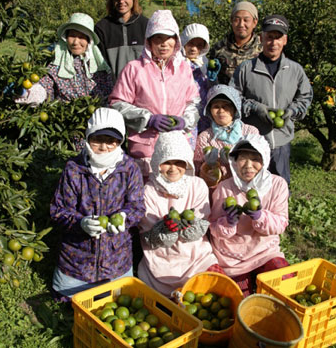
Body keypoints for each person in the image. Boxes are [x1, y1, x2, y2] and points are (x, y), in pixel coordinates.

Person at [50, 107, 145, 301]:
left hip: (116, 259)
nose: (104, 147)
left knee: (119, 300)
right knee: (67, 300)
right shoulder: (74, 169)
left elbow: (137, 206)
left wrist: (126, 218)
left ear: (120, 142)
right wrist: (81, 223)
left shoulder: (130, 169)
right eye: (97, 140)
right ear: (87, 138)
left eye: (111, 141)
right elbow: (58, 211)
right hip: (77, 260)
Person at [109, 9, 200, 178]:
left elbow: (192, 102)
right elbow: (117, 104)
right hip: (144, 149)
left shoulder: (183, 69)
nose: (164, 44)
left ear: (176, 41)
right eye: (158, 38)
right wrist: (148, 118)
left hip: (175, 148)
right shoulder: (134, 69)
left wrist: (184, 121)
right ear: (149, 41)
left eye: (168, 38)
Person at [230, 14, 313, 184]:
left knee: (280, 186)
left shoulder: (294, 70)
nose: (273, 43)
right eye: (269, 37)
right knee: (251, 188)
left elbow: (305, 97)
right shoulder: (246, 69)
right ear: (261, 38)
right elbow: (233, 98)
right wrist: (255, 108)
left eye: (278, 38)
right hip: (253, 142)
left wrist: (292, 111)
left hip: (281, 142)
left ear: (285, 40)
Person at [137, 131, 220, 297]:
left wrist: (191, 227)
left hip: (197, 258)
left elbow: (201, 224)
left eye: (178, 162)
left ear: (187, 163)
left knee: (217, 291)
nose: (173, 168)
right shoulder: (149, 191)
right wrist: (164, 230)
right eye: (167, 162)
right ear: (157, 163)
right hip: (161, 262)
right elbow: (149, 236)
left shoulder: (197, 185)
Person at [209, 133, 290, 296]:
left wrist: (261, 216)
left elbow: (281, 224)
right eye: (243, 158)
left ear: (265, 159)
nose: (248, 165)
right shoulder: (224, 188)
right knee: (239, 300)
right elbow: (215, 231)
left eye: (255, 159)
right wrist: (228, 222)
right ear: (234, 162)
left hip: (265, 251)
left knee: (286, 285)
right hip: (233, 257)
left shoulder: (277, 184)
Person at [194, 84, 259, 190]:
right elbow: (197, 171)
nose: (221, 111)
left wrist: (235, 160)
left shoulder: (250, 132)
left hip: (246, 188)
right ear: (209, 110)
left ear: (235, 109)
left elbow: (260, 163)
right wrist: (207, 166)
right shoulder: (205, 137)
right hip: (217, 191)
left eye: (226, 106)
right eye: (216, 107)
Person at [95, 0, 149, 79]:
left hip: (143, 90)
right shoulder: (101, 28)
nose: (121, 1)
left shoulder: (146, 25)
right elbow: (100, 64)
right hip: (114, 91)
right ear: (112, 0)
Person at [208, 1, 262, 85]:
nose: (241, 24)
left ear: (254, 22)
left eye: (246, 20)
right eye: (237, 20)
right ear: (231, 21)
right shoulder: (219, 48)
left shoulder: (263, 48)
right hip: (226, 96)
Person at [180, 23, 212, 139]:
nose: (194, 48)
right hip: (185, 113)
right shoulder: (176, 62)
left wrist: (213, 79)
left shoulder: (204, 62)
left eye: (199, 45)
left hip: (203, 114)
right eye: (191, 43)